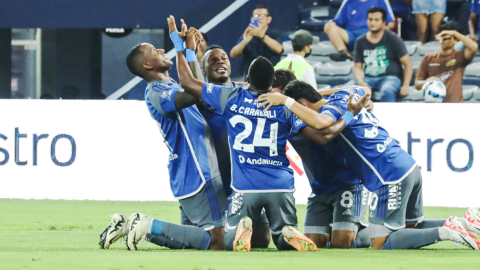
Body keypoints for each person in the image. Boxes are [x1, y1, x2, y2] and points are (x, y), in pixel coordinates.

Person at [175, 19, 370, 251]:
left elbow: (189, 82)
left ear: (247, 80)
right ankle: (287, 234)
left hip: (245, 187)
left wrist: (182, 47)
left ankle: (241, 229)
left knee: (226, 241)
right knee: (276, 241)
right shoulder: (286, 107)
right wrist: (347, 113)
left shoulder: (231, 97)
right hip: (280, 186)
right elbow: (319, 133)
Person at [257, 82, 480, 250]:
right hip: (407, 165)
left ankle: (450, 232)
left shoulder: (331, 110)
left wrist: (287, 102)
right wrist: (322, 93)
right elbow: (362, 87)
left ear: (303, 104)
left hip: (388, 175)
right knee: (411, 226)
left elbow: (322, 125)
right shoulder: (348, 94)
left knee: (381, 242)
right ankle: (461, 222)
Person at [100, 19, 228, 251]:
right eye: (153, 51)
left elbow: (199, 89)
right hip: (199, 169)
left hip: (190, 171)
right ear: (147, 66)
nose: (160, 50)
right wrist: (181, 49)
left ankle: (131, 226)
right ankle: (147, 224)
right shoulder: (157, 91)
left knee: (190, 241)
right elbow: (195, 94)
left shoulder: (169, 84)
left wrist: (190, 51)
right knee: (216, 241)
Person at [273, 70, 372, 249]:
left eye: (276, 96)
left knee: (341, 243)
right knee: (314, 244)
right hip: (319, 189)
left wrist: (349, 110)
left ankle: (377, 232)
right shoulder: (292, 115)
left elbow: (362, 89)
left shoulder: (304, 114)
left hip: (348, 183)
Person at [199, 44, 272, 248]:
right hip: (215, 180)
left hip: (245, 179)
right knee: (219, 243)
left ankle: (243, 227)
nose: (221, 61)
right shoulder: (196, 99)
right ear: (203, 70)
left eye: (224, 58)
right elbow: (190, 83)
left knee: (262, 241)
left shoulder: (244, 93)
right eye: (213, 59)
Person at [344, 7, 412, 102]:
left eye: (376, 20)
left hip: (390, 77)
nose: (372, 22)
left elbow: (407, 64)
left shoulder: (393, 39)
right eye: (370, 19)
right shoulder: (360, 41)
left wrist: (405, 85)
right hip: (367, 78)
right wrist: (361, 81)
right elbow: (357, 67)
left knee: (387, 90)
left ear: (384, 23)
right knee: (346, 90)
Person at [415, 21, 479, 103]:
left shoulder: (460, 56)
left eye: (446, 38)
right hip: (433, 102)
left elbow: (474, 47)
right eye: (441, 38)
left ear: (455, 40)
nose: (442, 41)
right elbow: (417, 84)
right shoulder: (428, 58)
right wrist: (425, 82)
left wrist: (454, 33)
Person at [325, 0, 395, 61]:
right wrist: (329, 24)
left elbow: (391, 22)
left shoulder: (381, 0)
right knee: (330, 27)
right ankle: (343, 53)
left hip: (370, 33)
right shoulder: (348, 1)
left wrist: (386, 28)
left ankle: (360, 53)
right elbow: (336, 21)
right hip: (350, 34)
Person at [230, 5, 284, 76]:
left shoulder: (275, 34)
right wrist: (244, 42)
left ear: (269, 19)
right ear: (252, 18)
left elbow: (279, 49)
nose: (259, 18)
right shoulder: (248, 34)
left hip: (271, 76)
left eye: (262, 16)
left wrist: (262, 36)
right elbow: (233, 54)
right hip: (251, 77)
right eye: (256, 15)